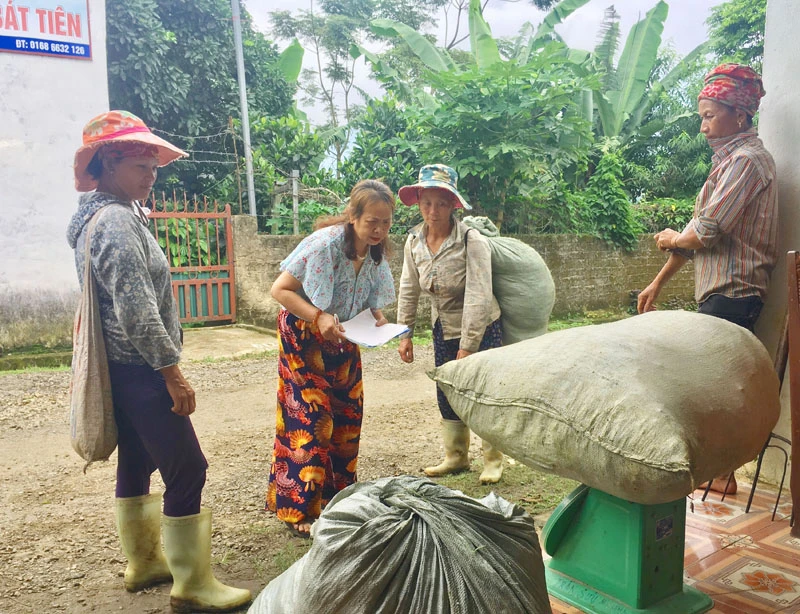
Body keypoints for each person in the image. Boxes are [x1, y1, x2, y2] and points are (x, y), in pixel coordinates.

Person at [66, 111, 251, 612]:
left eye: (154, 166)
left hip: (121, 369)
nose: (151, 175)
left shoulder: (100, 216)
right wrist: (172, 373)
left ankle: (145, 562)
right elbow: (136, 309)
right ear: (108, 163)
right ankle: (192, 585)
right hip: (141, 368)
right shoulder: (116, 221)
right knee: (188, 468)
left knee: (137, 460)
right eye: (140, 165)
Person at [637, 64, 778, 494]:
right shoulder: (726, 165)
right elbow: (695, 236)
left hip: (736, 292)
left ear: (740, 115)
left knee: (717, 387)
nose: (703, 126)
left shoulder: (747, 163)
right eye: (702, 117)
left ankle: (723, 474)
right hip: (721, 292)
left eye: (710, 116)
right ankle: (721, 474)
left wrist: (671, 238)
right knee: (714, 383)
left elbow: (706, 231)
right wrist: (657, 283)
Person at [266, 180, 396, 538]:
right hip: (303, 334)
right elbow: (280, 290)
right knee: (312, 416)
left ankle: (338, 501)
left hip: (343, 334)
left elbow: (370, 298)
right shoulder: (324, 245)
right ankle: (298, 509)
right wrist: (317, 316)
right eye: (372, 222)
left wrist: (380, 319)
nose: (379, 230)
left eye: (386, 223)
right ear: (352, 215)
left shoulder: (375, 251)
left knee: (348, 413)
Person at [395, 164, 504, 484]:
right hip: (442, 325)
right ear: (418, 203)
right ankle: (456, 457)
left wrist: (468, 345)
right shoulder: (413, 241)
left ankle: (493, 459)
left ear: (453, 205)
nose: (433, 211)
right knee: (447, 390)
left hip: (483, 327)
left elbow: (479, 295)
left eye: (441, 203)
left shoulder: (471, 240)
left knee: (484, 391)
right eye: (427, 203)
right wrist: (405, 333)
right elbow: (408, 287)